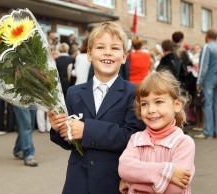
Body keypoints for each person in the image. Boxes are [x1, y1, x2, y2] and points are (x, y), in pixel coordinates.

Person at [47, 21, 145, 194]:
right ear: (89, 54)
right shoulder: (74, 93)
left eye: (115, 48)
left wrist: (87, 130)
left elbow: (133, 137)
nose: (108, 52)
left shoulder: (135, 93)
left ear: (123, 57)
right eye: (100, 47)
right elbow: (71, 143)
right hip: (78, 181)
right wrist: (59, 128)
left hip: (114, 181)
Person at [119, 70, 195, 194]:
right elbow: (124, 168)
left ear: (176, 105)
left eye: (158, 102)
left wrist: (133, 184)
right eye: (144, 104)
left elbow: (175, 188)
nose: (151, 110)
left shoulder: (184, 143)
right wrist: (167, 171)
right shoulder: (136, 139)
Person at [194, 29, 217, 139]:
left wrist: (199, 81)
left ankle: (208, 132)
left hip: (209, 78)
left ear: (207, 36)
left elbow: (203, 66)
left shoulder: (207, 47)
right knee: (216, 104)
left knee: (207, 105)